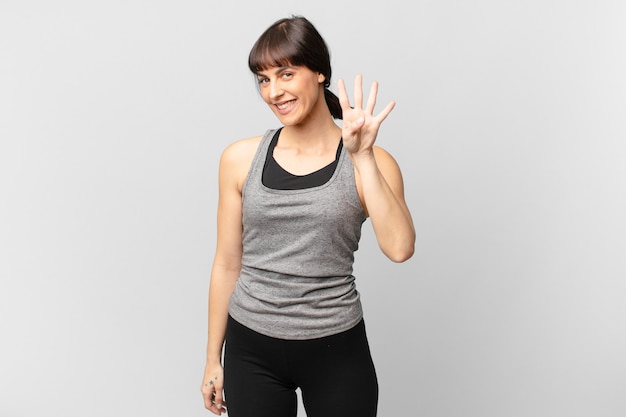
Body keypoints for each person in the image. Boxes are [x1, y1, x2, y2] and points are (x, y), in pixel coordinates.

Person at [200, 15, 415, 417]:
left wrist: (363, 155)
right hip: (251, 349)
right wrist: (214, 358)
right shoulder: (239, 159)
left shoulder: (371, 160)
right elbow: (228, 262)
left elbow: (401, 248)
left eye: (286, 73)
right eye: (263, 79)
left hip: (336, 349)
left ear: (319, 73)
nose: (274, 91)